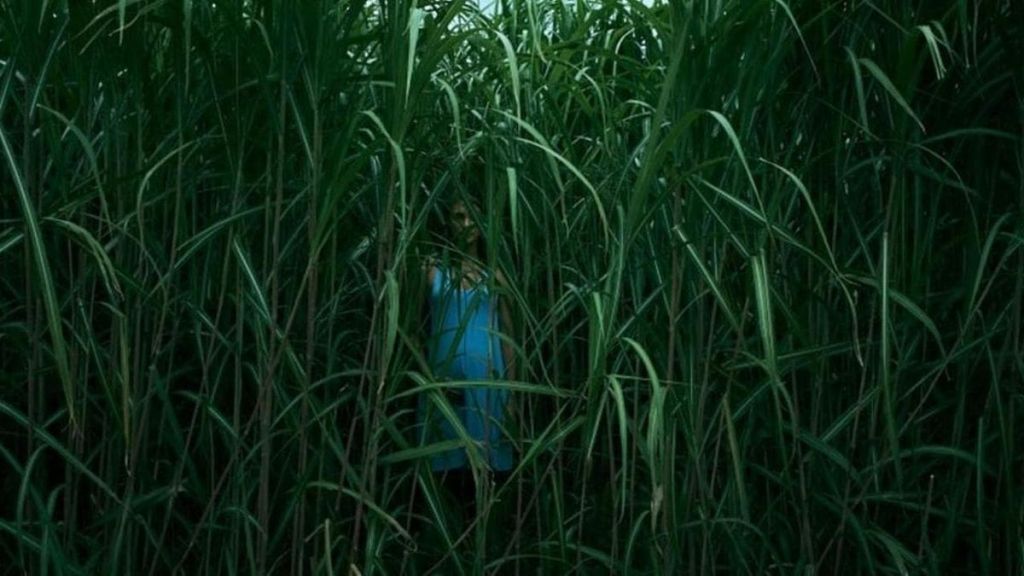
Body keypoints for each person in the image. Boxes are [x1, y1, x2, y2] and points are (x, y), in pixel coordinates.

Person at [415, 194, 516, 518]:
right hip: (442, 393)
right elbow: (413, 330)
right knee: (443, 478)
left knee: (486, 481)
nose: (467, 224)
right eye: (459, 216)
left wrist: (512, 397)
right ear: (448, 221)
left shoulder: (494, 276)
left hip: (489, 395)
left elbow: (508, 339)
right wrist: (425, 379)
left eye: (473, 217)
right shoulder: (432, 272)